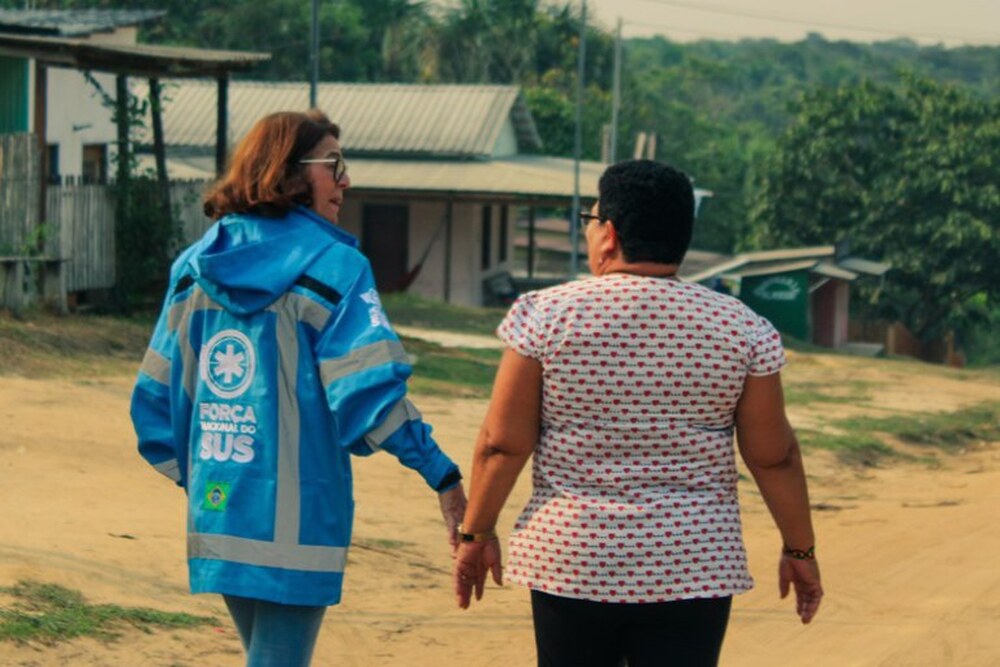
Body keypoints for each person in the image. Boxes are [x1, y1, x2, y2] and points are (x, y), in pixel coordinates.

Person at [130, 110, 467, 667]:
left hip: (220, 507)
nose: (345, 181)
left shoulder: (192, 267)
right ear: (288, 170)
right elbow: (368, 397)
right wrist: (443, 474)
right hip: (299, 515)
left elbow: (153, 404)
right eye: (334, 164)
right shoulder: (337, 267)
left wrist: (210, 480)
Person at [453, 159, 822, 667]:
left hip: (574, 559)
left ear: (609, 235)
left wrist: (475, 534)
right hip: (693, 565)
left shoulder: (546, 315)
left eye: (590, 219)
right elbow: (772, 456)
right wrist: (800, 551)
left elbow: (502, 444)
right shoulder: (743, 328)